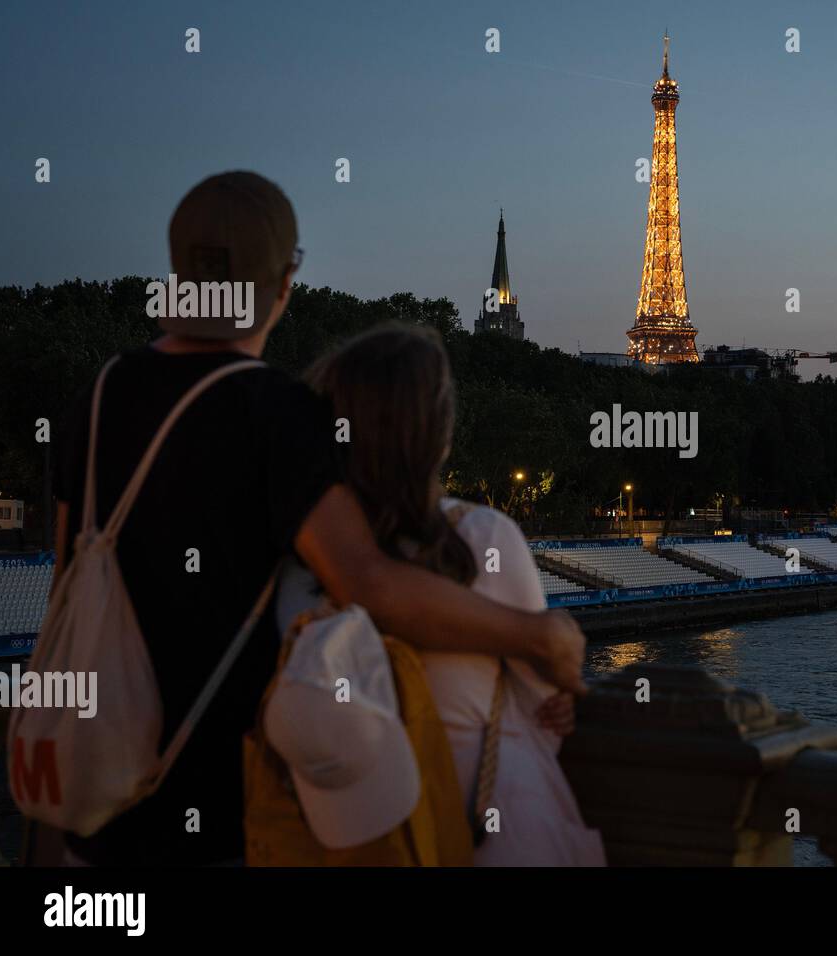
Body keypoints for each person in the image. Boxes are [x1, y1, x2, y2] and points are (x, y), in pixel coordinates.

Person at [46, 172, 586, 866]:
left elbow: (65, 603)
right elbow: (370, 584)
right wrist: (539, 635)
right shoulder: (274, 410)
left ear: (178, 272)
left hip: (96, 818)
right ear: (283, 285)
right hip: (224, 805)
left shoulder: (97, 395)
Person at [276, 324, 605, 866]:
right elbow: (547, 710)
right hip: (485, 832)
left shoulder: (300, 565)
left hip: (353, 844)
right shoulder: (484, 539)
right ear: (440, 435)